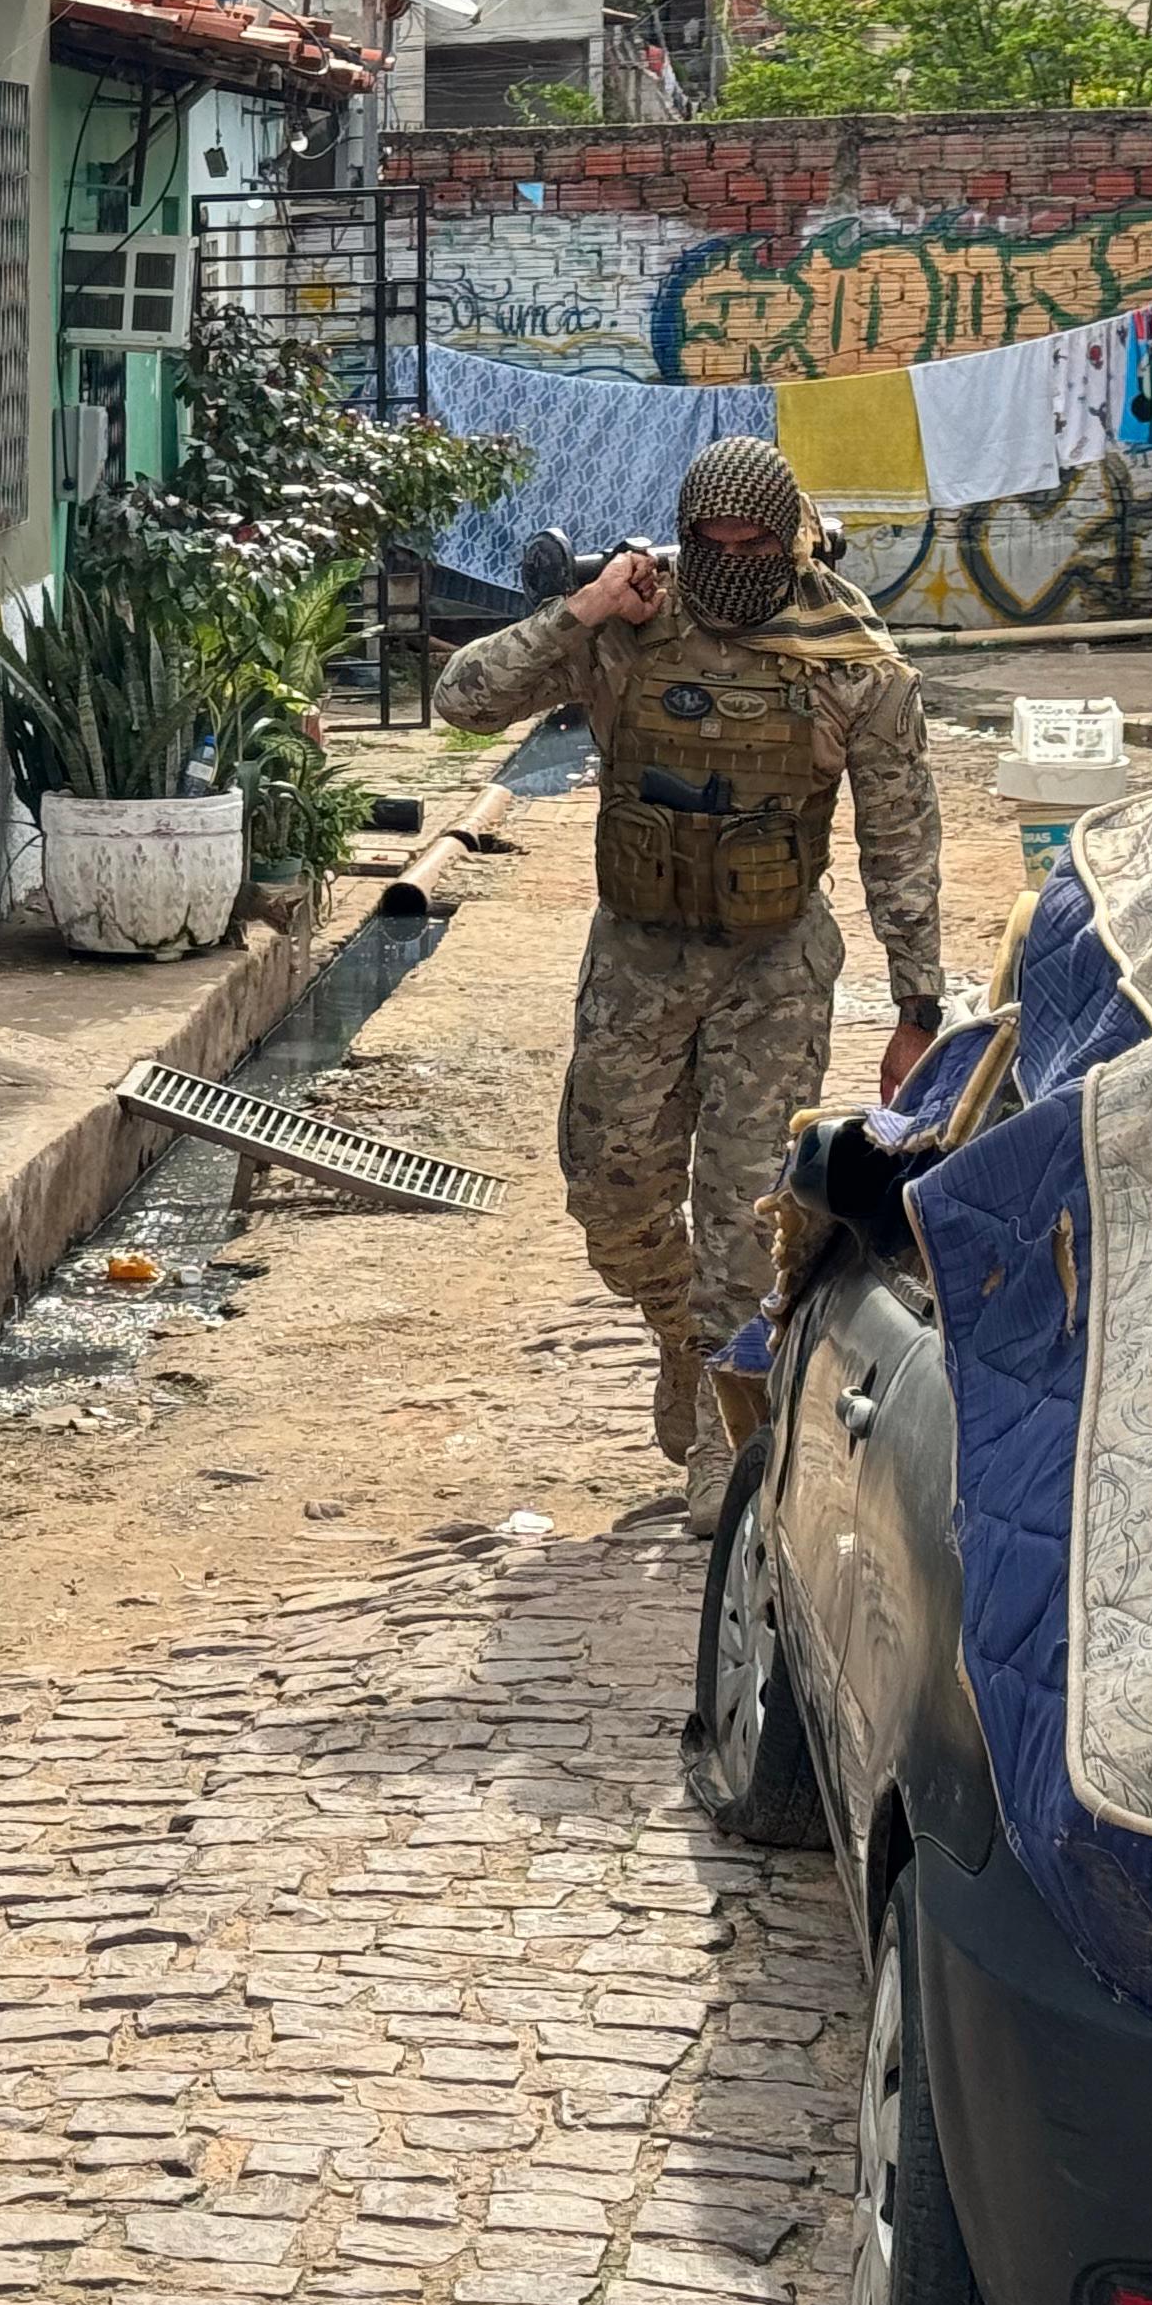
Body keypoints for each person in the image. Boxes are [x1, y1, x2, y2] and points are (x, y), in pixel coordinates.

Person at [438, 438, 942, 1544]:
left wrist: (919, 1009)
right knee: (610, 1195)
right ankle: (677, 1335)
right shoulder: (631, 625)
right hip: (638, 962)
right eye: (705, 543)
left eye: (749, 543)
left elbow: (899, 837)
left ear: (790, 534)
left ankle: (725, 1440)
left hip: (775, 968)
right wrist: (583, 612)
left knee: (747, 1218)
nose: (724, 563)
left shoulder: (847, 654)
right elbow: (461, 701)